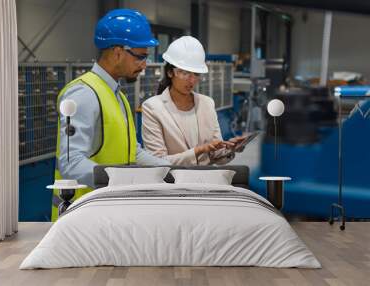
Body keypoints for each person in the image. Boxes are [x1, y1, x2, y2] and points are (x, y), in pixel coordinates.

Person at [52, 9, 169, 221]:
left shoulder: (117, 96)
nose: (144, 65)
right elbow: (71, 163)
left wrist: (170, 171)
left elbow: (133, 152)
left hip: (107, 210)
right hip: (81, 217)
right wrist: (123, 180)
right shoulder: (84, 94)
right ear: (117, 52)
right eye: (141, 56)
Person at [142, 36, 245, 166]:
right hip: (171, 183)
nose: (191, 80)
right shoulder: (153, 108)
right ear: (170, 72)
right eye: (185, 73)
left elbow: (217, 156)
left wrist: (230, 149)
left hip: (205, 181)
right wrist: (198, 151)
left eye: (196, 74)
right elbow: (157, 162)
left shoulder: (207, 104)